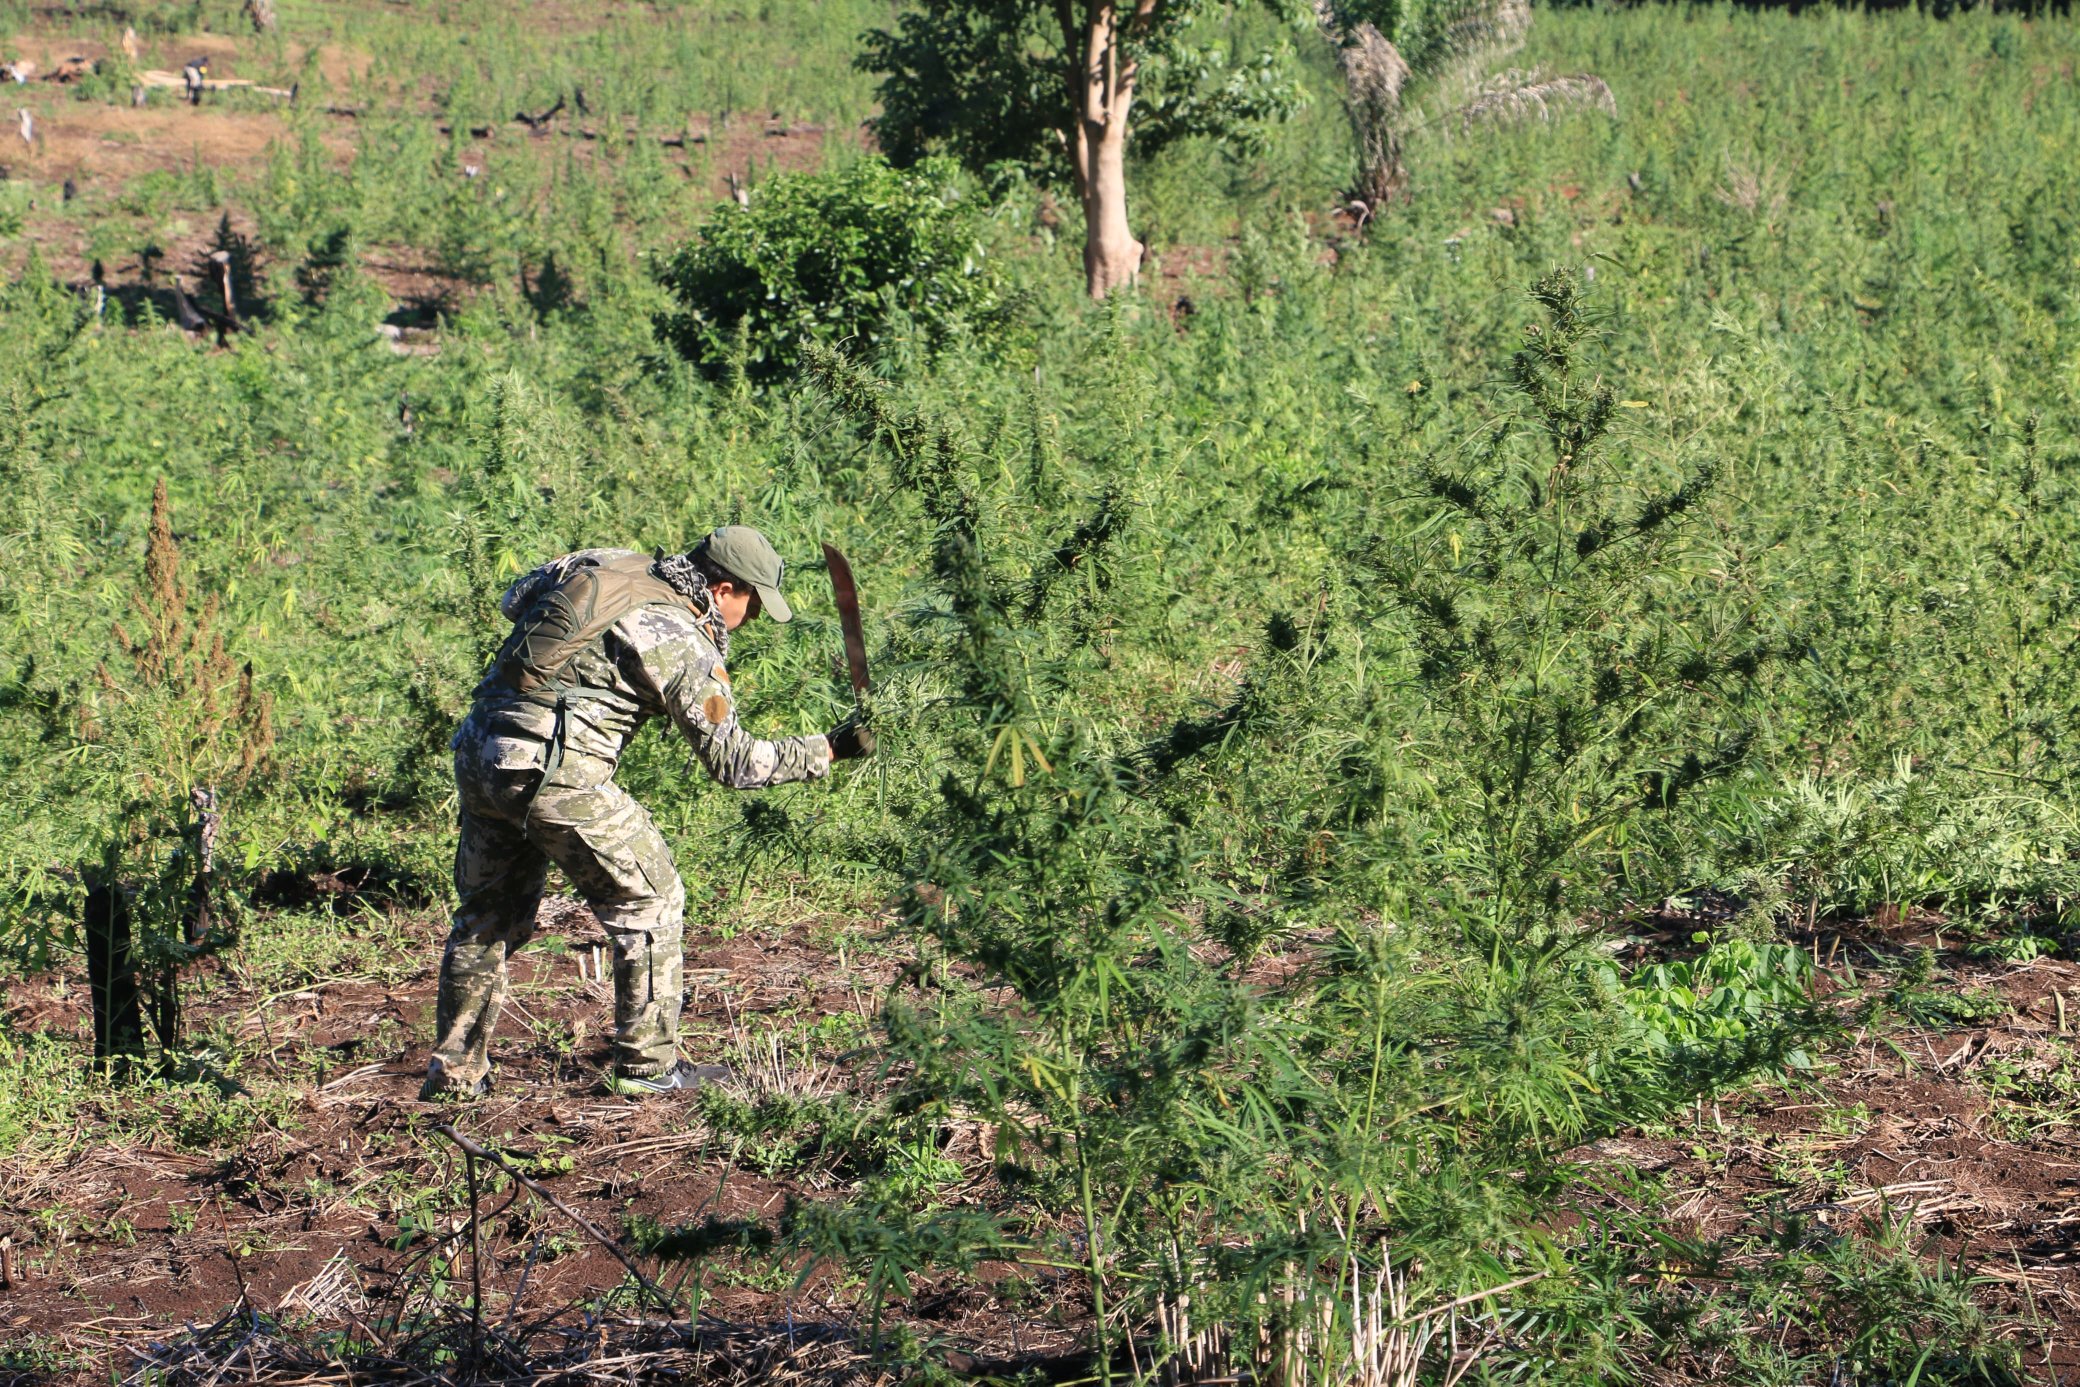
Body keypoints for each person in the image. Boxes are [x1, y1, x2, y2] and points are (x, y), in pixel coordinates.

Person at [421, 527, 872, 1100]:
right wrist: (828, 749)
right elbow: (736, 763)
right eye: (751, 602)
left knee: (487, 917)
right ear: (724, 587)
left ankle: (455, 1076)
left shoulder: (601, 562)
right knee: (651, 900)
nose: (752, 617)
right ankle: (649, 1069)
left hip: (482, 752)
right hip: (556, 772)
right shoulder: (680, 636)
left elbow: (517, 598)